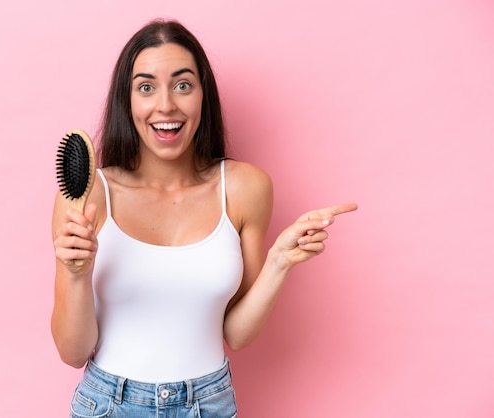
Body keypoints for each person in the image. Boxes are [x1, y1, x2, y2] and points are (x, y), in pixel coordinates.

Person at [51, 19, 357, 418]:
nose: (166, 105)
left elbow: (236, 334)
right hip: (109, 404)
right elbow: (73, 353)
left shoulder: (245, 188)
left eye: (182, 85)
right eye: (146, 87)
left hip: (208, 403)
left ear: (202, 95)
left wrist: (280, 262)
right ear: (127, 101)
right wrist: (76, 273)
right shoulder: (88, 194)